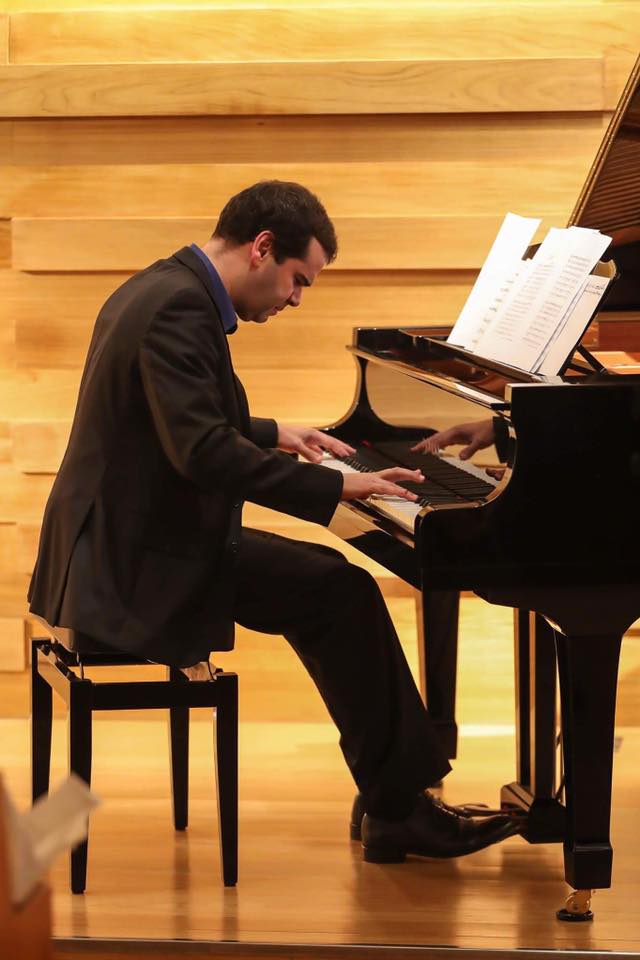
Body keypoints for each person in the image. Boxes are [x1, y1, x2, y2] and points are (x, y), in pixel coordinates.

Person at [28, 181, 518, 863]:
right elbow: (202, 453)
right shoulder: (180, 308)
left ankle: (392, 794)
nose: (295, 299)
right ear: (262, 247)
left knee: (332, 584)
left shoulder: (160, 286)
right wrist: (338, 487)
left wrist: (272, 431)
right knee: (339, 593)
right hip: (130, 565)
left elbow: (173, 415)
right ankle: (398, 807)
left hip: (125, 540)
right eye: (298, 280)